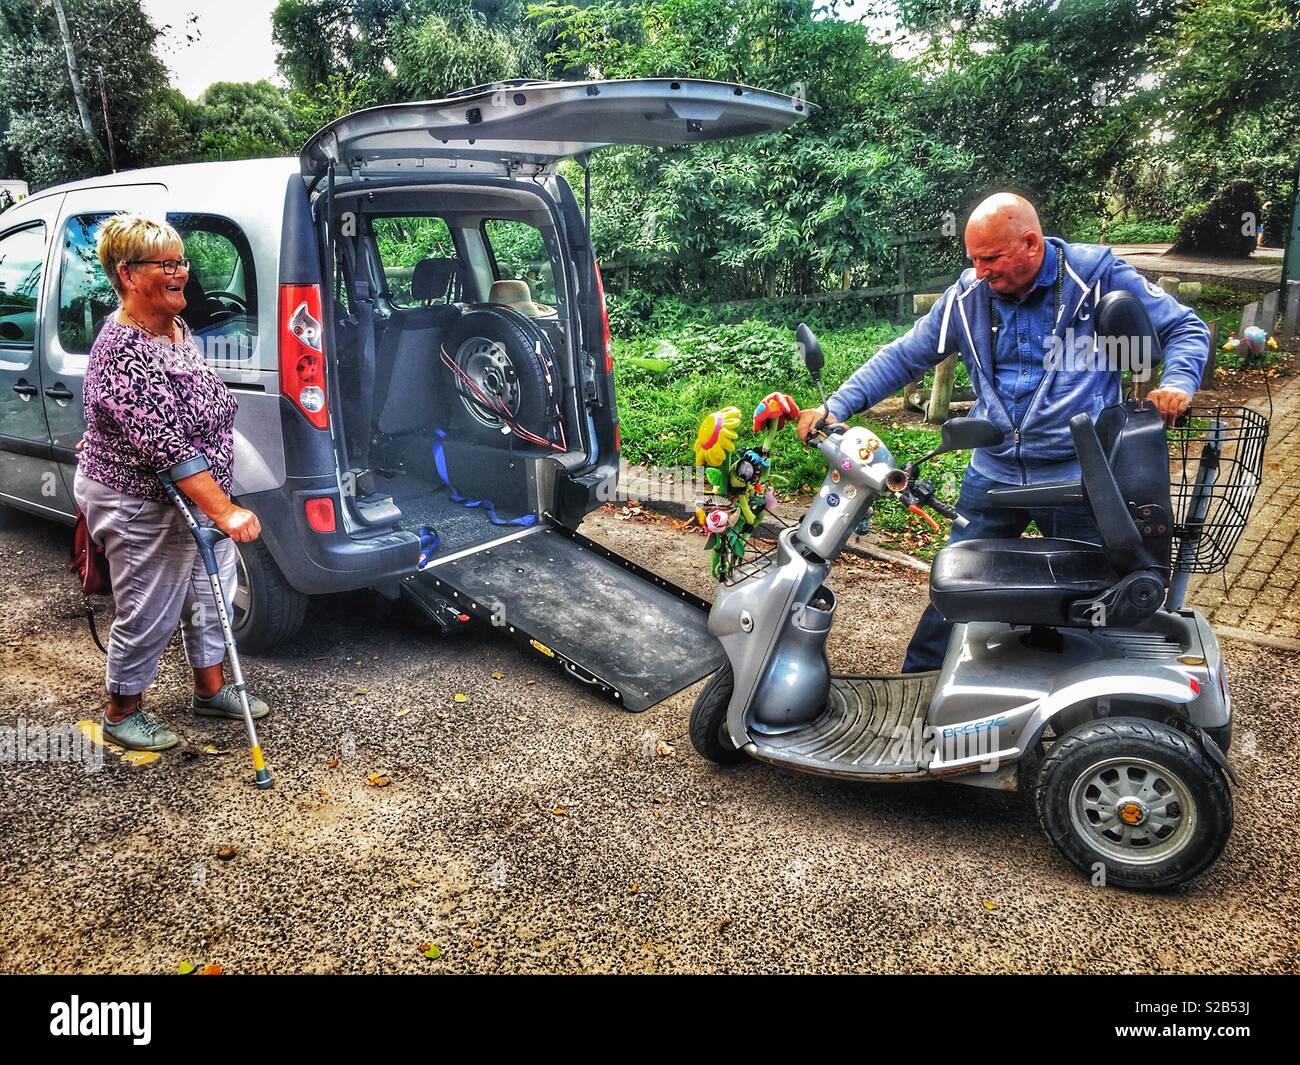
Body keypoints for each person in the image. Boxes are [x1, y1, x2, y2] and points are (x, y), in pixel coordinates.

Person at [796, 193, 1209, 672]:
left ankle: (1098, 712)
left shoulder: (1095, 279)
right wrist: (835, 406)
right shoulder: (970, 295)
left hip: (1080, 475)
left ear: (1031, 244)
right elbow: (904, 355)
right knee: (955, 587)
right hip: (993, 474)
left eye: (990, 258)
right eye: (973, 259)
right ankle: (922, 686)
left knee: (1099, 600)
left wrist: (1177, 383)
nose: (980, 270)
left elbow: (1185, 328)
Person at [74, 213, 269, 751]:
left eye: (181, 261)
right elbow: (167, 446)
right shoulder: (121, 350)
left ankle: (209, 690)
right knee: (150, 606)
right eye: (166, 264)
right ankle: (122, 710)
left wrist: (216, 502)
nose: (181, 271)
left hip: (198, 496)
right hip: (137, 500)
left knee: (212, 591)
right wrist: (224, 510)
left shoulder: (175, 329)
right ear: (128, 274)